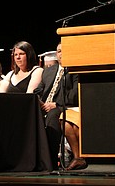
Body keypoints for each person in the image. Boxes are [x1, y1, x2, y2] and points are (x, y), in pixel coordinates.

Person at [34, 42, 86, 171]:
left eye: (64, 50)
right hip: (45, 105)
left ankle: (50, 161)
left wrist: (55, 104)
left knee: (53, 116)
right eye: (59, 51)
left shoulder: (75, 70)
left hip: (64, 106)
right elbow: (38, 90)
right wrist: (39, 102)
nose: (61, 54)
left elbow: (75, 95)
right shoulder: (49, 71)